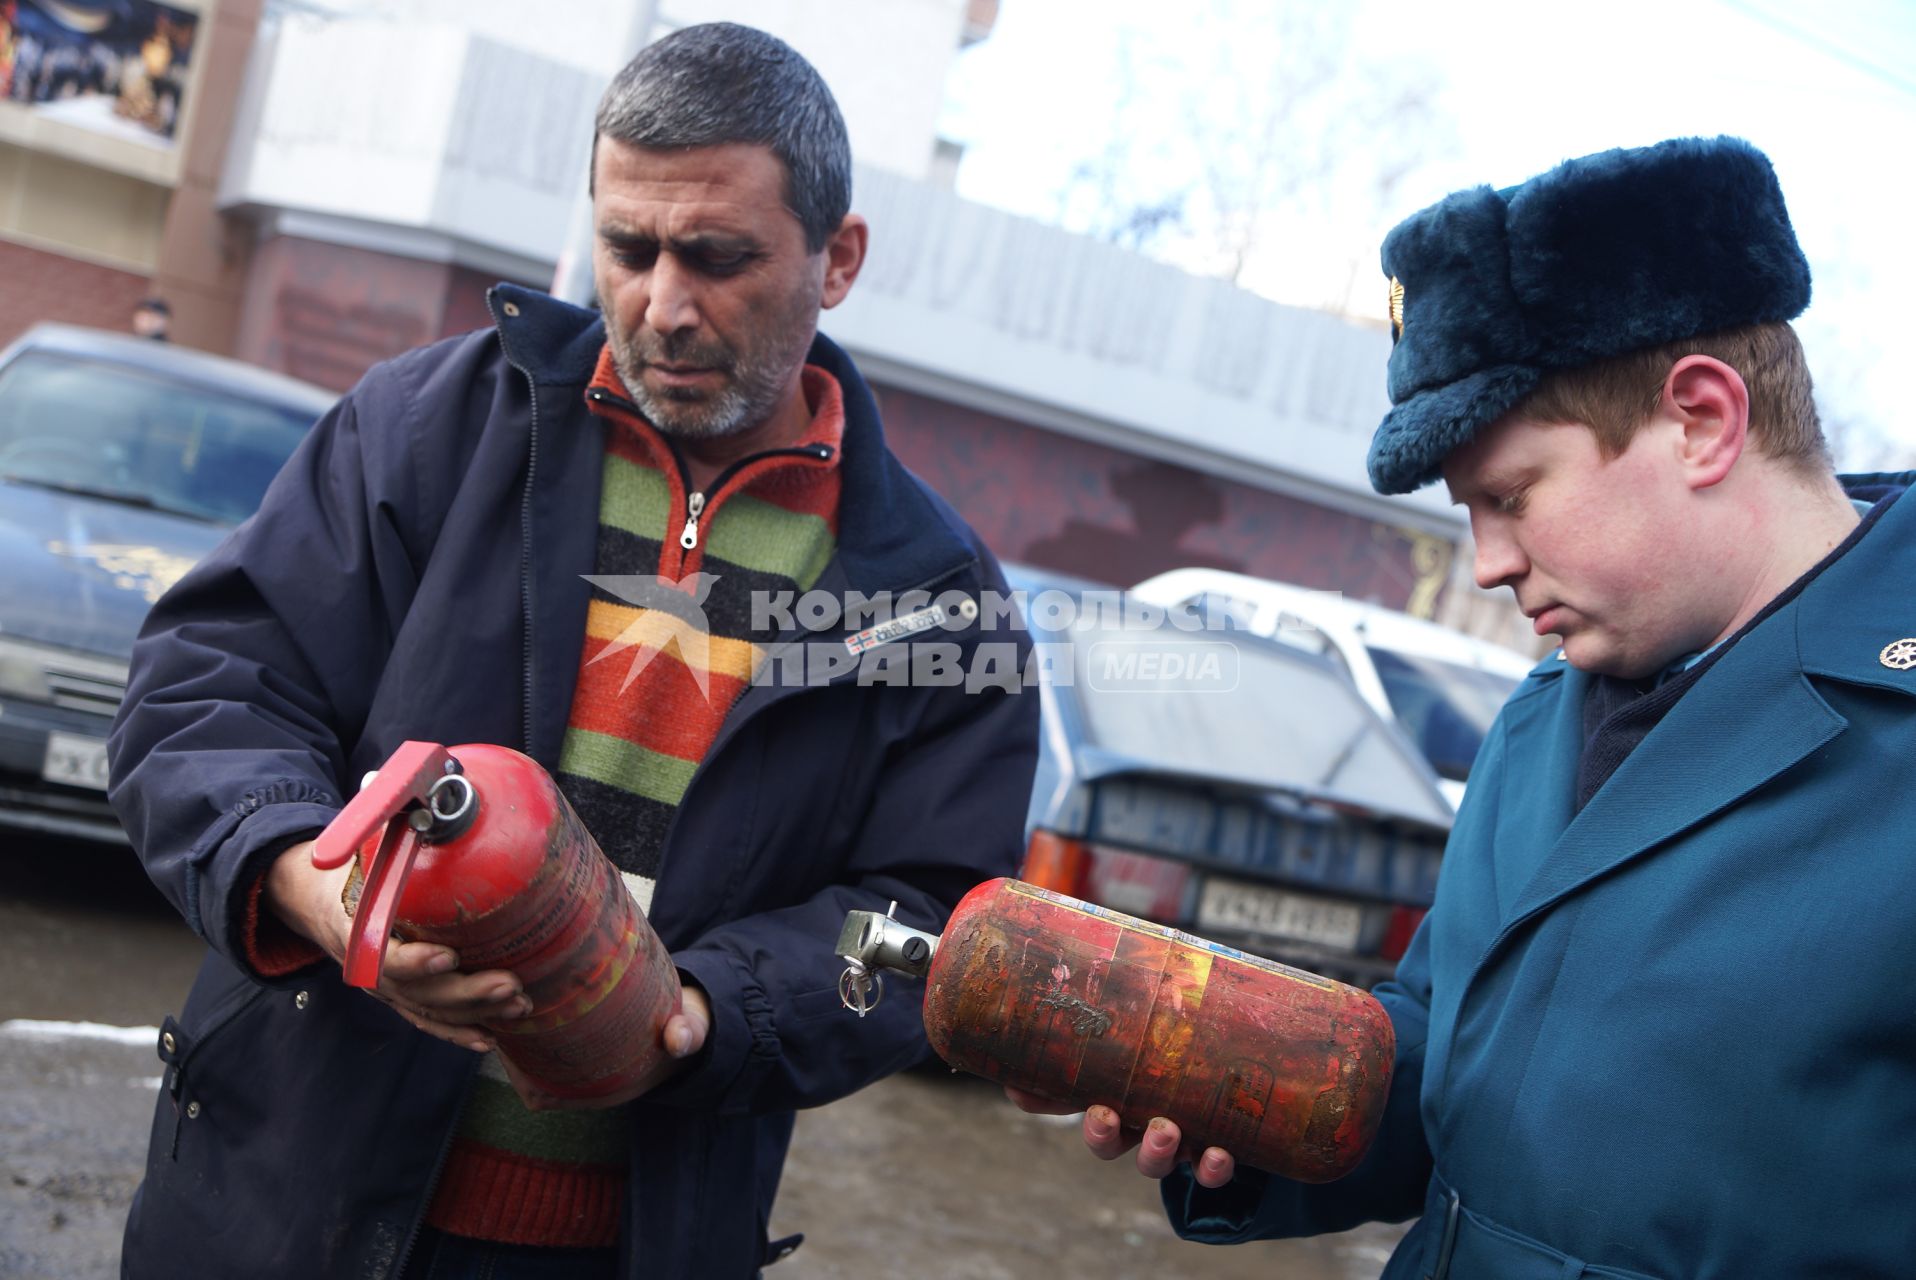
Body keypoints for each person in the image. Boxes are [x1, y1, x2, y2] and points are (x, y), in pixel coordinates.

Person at [108, 23, 1037, 1280]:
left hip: (627, 1247)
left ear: (840, 256)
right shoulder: (426, 427)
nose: (663, 303)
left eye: (717, 257)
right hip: (279, 1217)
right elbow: (204, 689)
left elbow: (925, 917)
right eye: (627, 246)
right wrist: (319, 890)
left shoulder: (933, 598)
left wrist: (706, 1014)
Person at [1015, 135, 1916, 1278]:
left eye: (1508, 495)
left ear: (1699, 419)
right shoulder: (1544, 712)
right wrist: (1228, 1091)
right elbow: (1451, 1069)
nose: (1485, 562)